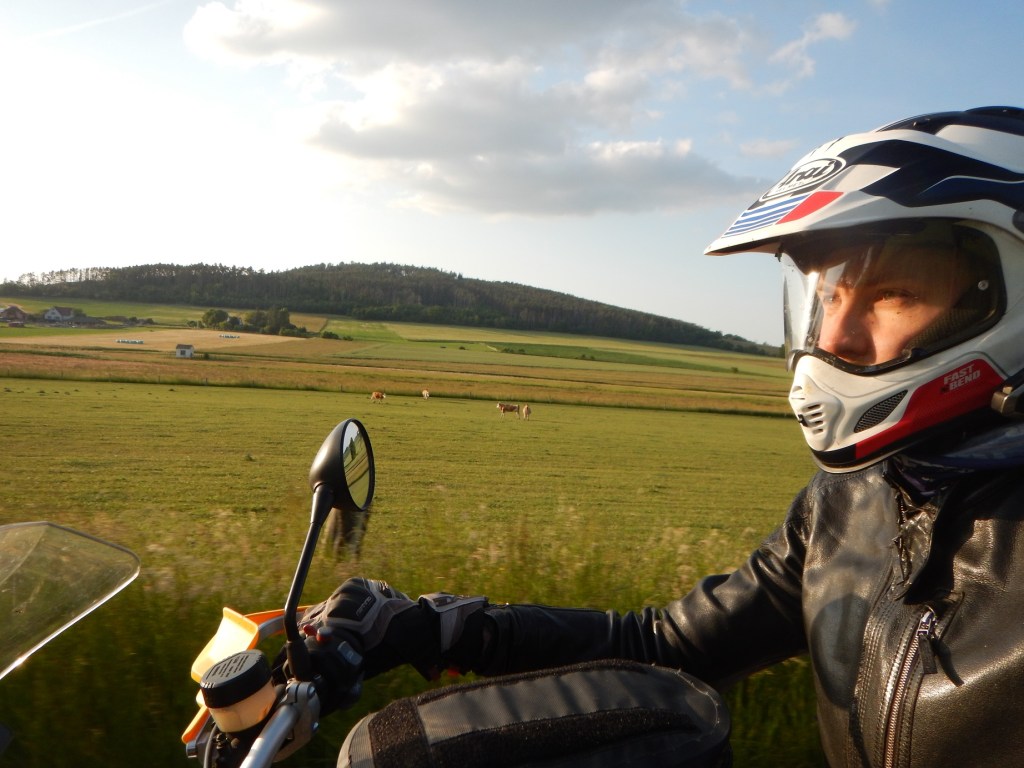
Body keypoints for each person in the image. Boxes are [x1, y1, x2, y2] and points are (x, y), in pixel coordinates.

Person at [297, 107, 1024, 767]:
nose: (833, 336)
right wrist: (438, 627)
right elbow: (663, 646)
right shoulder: (846, 504)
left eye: (892, 294)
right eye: (829, 295)